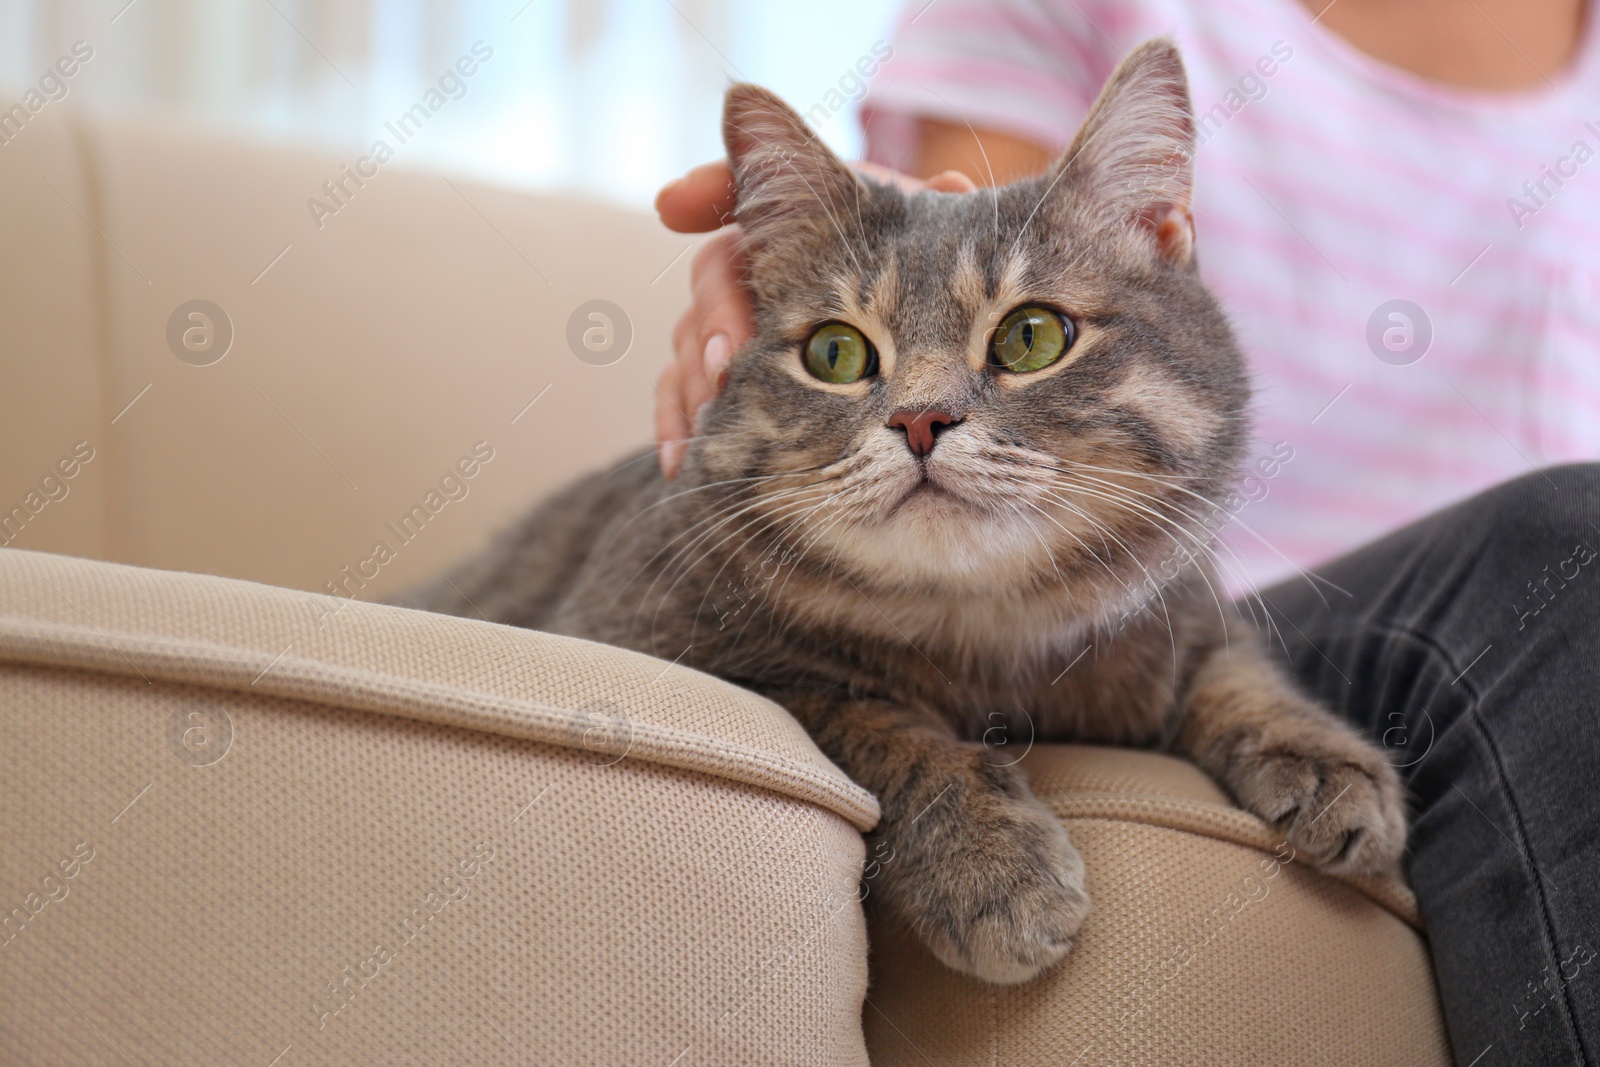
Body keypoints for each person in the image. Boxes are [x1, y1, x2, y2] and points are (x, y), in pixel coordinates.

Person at [650, 0, 1600, 1062]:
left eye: (1028, 334)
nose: (921, 410)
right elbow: (950, 221)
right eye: (843, 353)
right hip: (1280, 602)